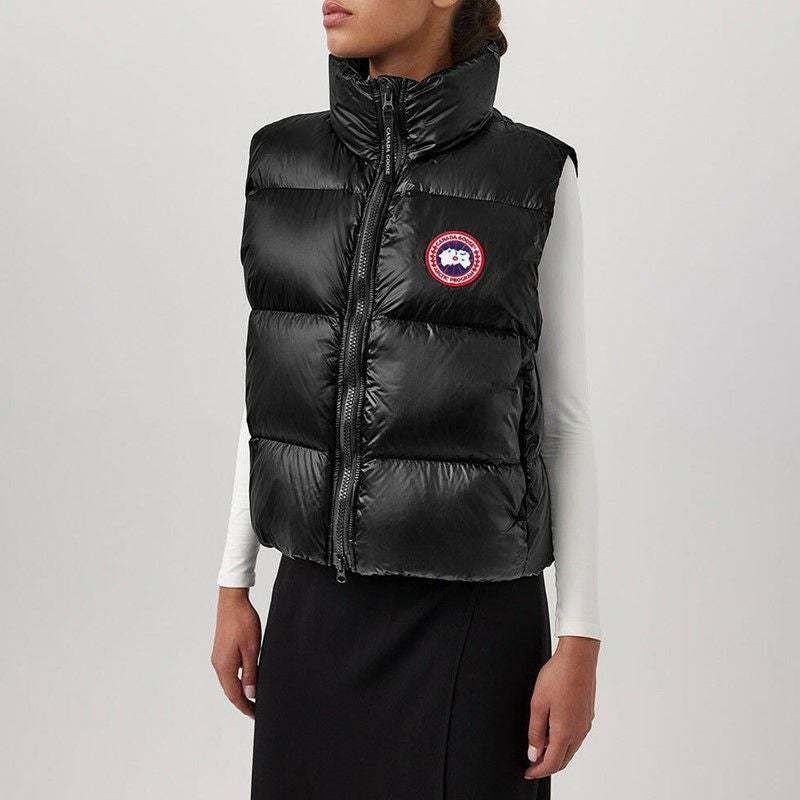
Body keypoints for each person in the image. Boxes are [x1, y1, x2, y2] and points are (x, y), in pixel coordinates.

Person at [211, 1, 601, 797]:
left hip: (471, 622)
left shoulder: (529, 175)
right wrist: (234, 581)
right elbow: (272, 399)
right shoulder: (282, 161)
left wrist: (580, 639)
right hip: (314, 609)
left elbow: (562, 421)